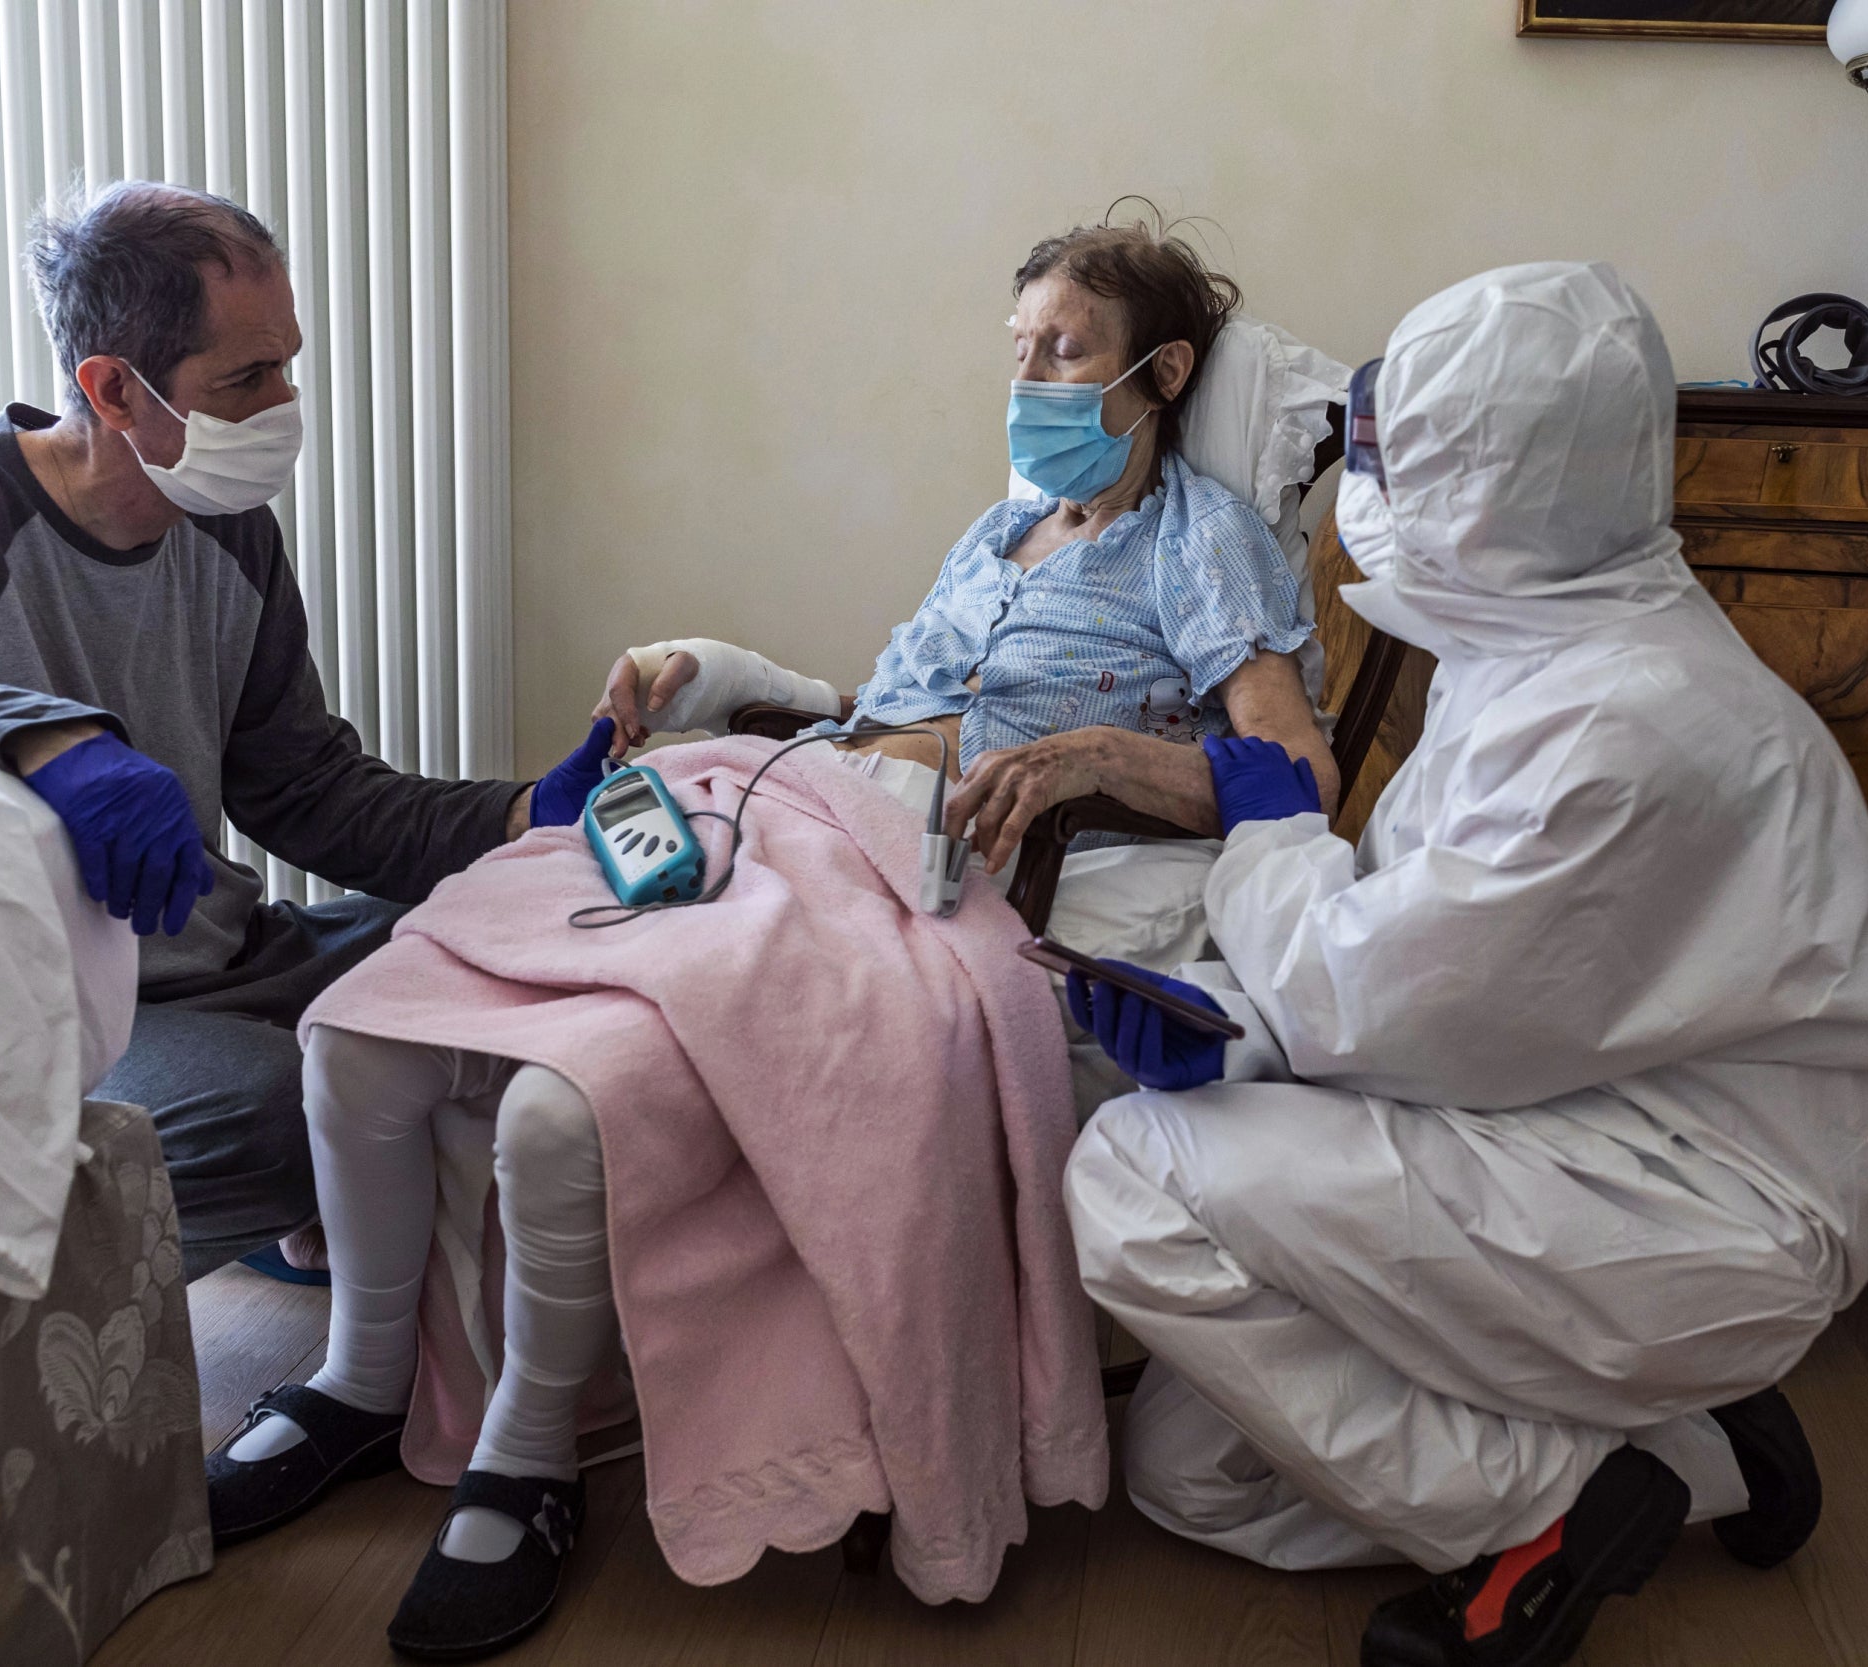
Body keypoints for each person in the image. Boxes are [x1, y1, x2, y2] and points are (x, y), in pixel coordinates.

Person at [203, 217, 1340, 1662]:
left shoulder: (1205, 545)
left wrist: (1094, 757)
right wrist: (722, 673)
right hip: (802, 803)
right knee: (367, 1027)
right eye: (1019, 351)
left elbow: (1296, 775)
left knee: (566, 1096)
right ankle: (362, 1381)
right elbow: (875, 708)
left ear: (1162, 373)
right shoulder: (997, 533)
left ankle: (525, 1445)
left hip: (919, 872)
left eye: (1066, 352)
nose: (1031, 381)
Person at [1060, 263, 1868, 1667]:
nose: (1371, 484)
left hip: (1704, 1194)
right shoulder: (1539, 643)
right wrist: (1228, 1019)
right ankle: (1690, 1453)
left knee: (1130, 1172)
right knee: (1188, 1475)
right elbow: (1450, 964)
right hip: (1562, 1123)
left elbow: (1385, 1003)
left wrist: (1269, 837)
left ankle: (1559, 1502)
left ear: (1497, 482)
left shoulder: (1628, 722)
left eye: (1403, 455)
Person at [0, 182, 617, 1283]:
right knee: (283, 1110)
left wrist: (523, 812)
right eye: (247, 378)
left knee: (523, 934)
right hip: (63, 1011)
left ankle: (315, 1207)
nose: (285, 402)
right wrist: (47, 739)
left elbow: (305, 787)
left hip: (227, 953)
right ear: (112, 387)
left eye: (287, 364)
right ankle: (267, 1212)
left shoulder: (225, 522)